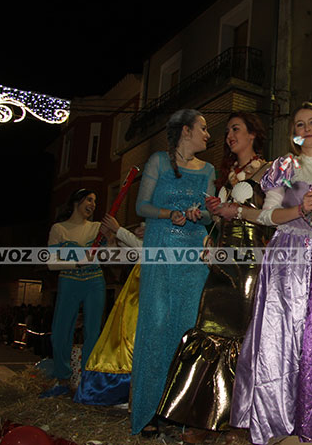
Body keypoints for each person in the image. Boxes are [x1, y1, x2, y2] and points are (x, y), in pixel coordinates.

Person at [230, 102, 312, 444]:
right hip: (288, 259)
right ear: (293, 132)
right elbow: (267, 216)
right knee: (282, 336)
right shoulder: (284, 166)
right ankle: (276, 420)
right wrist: (299, 210)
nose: (306, 128)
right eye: (299, 124)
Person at [156, 112, 274, 435]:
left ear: (252, 134)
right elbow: (222, 221)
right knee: (207, 328)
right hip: (221, 261)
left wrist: (237, 211)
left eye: (236, 129)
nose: (229, 135)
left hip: (249, 263)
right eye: (227, 131)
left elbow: (273, 217)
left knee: (240, 335)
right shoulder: (228, 176)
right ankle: (201, 416)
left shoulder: (269, 171)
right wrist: (212, 219)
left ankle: (237, 421)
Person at [131, 109, 215, 436]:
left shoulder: (208, 169)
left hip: (193, 254)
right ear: (185, 131)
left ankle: (178, 411)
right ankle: (149, 411)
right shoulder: (158, 162)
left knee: (186, 328)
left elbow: (209, 215)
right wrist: (170, 213)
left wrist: (197, 214)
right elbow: (141, 206)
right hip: (161, 248)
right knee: (156, 325)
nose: (208, 134)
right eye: (203, 128)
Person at [41, 189, 106, 398]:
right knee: (60, 331)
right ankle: (62, 379)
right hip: (69, 280)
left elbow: (113, 251)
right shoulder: (59, 229)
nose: (93, 204)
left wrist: (115, 235)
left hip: (94, 280)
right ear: (77, 201)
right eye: (89, 199)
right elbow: (51, 263)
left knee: (93, 331)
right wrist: (77, 262)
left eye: (95, 201)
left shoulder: (97, 228)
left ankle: (87, 382)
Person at [74, 214, 144, 406]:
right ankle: (123, 390)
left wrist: (119, 230)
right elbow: (123, 255)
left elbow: (146, 250)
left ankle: (132, 390)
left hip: (147, 290)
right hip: (136, 290)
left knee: (133, 340)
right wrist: (115, 237)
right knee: (124, 340)